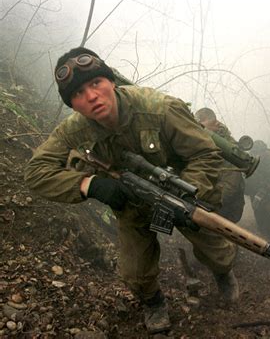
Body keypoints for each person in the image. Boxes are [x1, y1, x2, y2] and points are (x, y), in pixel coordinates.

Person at [24, 47, 239, 334]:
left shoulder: (160, 107)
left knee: (217, 250)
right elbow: (36, 173)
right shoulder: (72, 131)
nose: (90, 96)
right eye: (77, 94)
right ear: (73, 105)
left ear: (111, 82)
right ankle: (153, 301)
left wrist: (188, 194)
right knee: (135, 273)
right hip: (133, 206)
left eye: (96, 83)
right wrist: (90, 185)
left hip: (185, 195)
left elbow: (206, 154)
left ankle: (223, 273)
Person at [194, 107, 245, 223]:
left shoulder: (227, 148)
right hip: (209, 204)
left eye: (202, 126)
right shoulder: (201, 144)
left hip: (226, 208)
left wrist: (205, 203)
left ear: (215, 124)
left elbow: (230, 186)